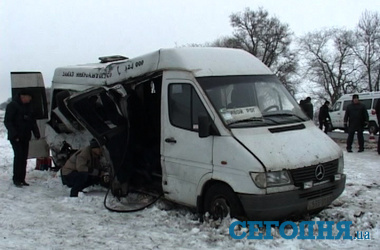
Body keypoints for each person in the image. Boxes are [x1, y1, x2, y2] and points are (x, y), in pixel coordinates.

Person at [4, 89, 40, 187]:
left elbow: (32, 121)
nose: (29, 100)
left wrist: (36, 133)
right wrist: (14, 134)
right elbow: (8, 121)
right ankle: (16, 179)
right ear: (23, 96)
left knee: (24, 158)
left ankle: (22, 179)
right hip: (15, 137)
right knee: (19, 156)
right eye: (29, 98)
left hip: (25, 136)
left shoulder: (28, 106)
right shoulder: (12, 105)